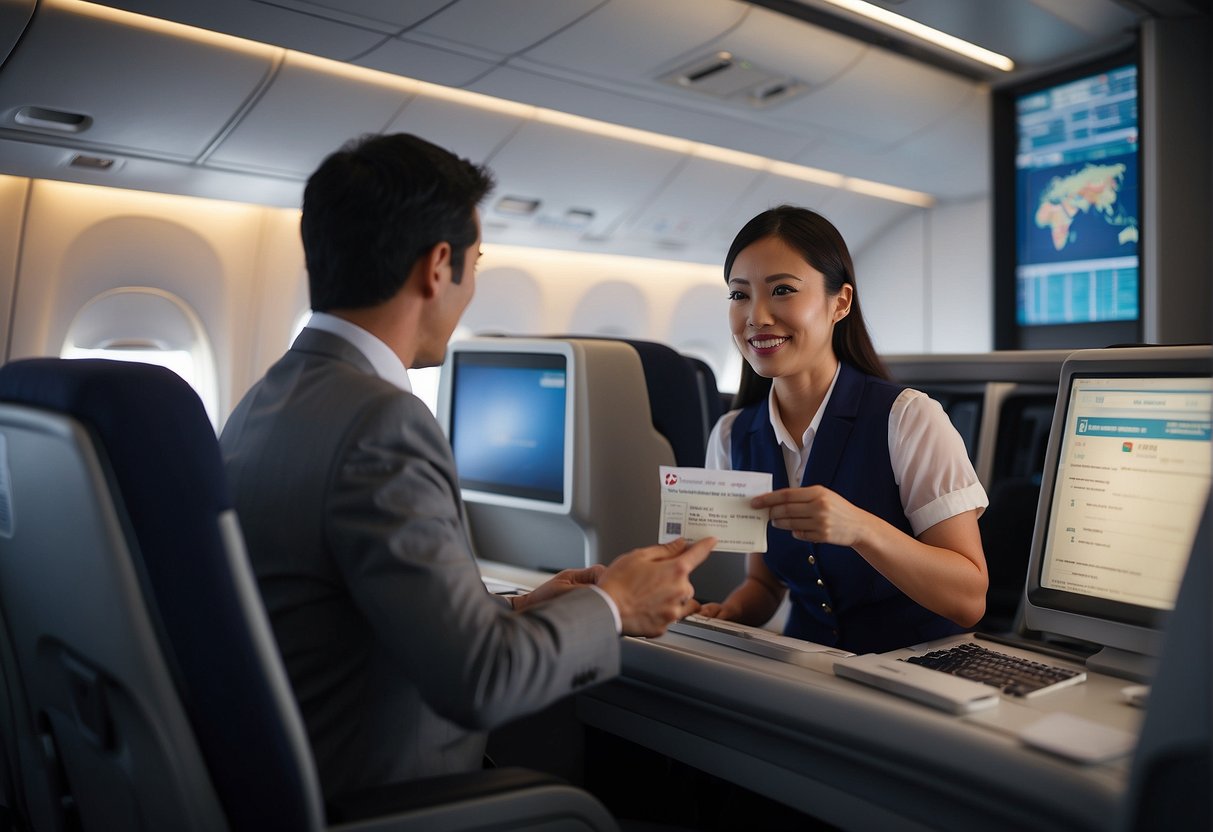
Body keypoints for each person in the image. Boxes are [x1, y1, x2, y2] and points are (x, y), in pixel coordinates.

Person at [219, 132, 715, 799]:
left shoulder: (261, 401)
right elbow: (481, 683)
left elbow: (344, 613)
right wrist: (615, 603)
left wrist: (523, 608)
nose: (473, 285)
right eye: (476, 263)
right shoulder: (382, 425)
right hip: (386, 803)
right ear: (437, 265)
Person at [695, 205, 988, 655]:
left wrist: (861, 529)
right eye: (739, 295)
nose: (756, 316)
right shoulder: (733, 435)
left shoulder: (908, 418)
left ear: (841, 303)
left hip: (919, 672)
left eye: (783, 290)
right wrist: (730, 613)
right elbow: (765, 582)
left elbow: (970, 599)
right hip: (809, 673)